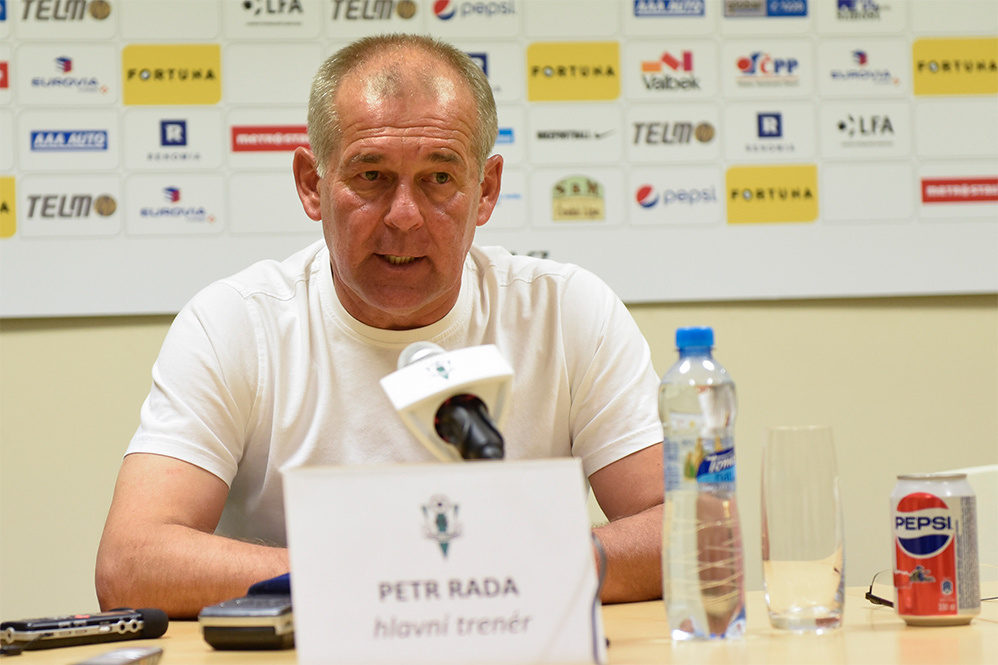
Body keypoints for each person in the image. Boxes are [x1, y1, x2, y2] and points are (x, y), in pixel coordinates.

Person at [95, 33, 664, 619]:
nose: (404, 216)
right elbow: (132, 563)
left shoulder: (568, 313)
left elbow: (687, 527)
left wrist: (529, 565)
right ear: (312, 185)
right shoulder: (235, 324)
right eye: (371, 176)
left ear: (486, 191)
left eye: (438, 179)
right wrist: (396, 572)